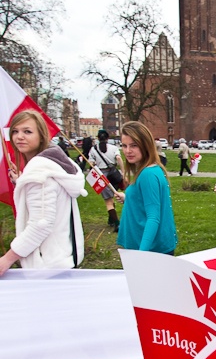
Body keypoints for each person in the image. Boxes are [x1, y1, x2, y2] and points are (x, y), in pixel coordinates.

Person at [0, 109, 85, 276]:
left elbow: (40, 226)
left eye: (27, 131)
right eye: (15, 131)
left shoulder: (39, 173)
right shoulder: (54, 165)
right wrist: (23, 181)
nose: (19, 137)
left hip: (47, 266)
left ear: (41, 135)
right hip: (62, 259)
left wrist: (7, 259)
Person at [115, 121, 177, 254]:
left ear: (146, 145)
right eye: (124, 145)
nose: (127, 151)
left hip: (150, 249)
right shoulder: (150, 169)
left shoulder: (148, 174)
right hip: (148, 247)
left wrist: (142, 255)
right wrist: (129, 198)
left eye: (134, 145)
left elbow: (153, 217)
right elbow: (150, 201)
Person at [88, 129, 124, 230]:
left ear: (98, 138)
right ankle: (111, 219)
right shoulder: (113, 148)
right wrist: (123, 172)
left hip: (102, 175)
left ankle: (117, 223)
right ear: (108, 138)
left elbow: (91, 163)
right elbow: (119, 158)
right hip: (114, 174)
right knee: (113, 196)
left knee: (108, 201)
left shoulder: (93, 149)